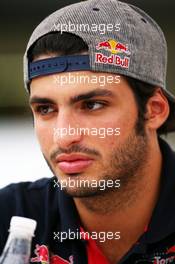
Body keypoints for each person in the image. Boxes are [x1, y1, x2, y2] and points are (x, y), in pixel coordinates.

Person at [1, 0, 175, 263]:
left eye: (92, 105)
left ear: (154, 110)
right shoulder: (10, 215)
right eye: (46, 109)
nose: (64, 135)